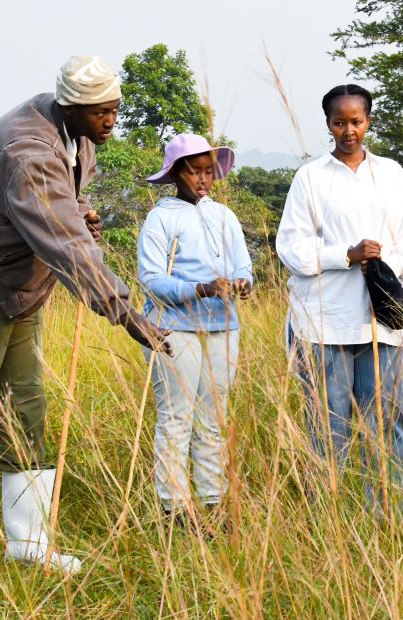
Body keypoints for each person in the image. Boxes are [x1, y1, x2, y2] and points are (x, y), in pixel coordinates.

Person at [0, 56, 171, 575]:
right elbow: (65, 244)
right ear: (71, 107)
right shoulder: (27, 148)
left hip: (18, 284)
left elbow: (59, 217)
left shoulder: (78, 139)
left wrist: (79, 216)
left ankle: (28, 544)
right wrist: (127, 315)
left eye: (114, 111)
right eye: (102, 113)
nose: (111, 123)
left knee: (23, 409)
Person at [276, 84, 403, 515]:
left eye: (356, 121)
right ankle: (326, 525)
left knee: (386, 425)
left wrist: (382, 261)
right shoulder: (311, 177)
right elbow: (291, 250)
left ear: (369, 121)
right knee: (329, 428)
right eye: (339, 122)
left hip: (385, 324)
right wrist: (346, 254)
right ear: (327, 125)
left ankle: (387, 519)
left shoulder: (392, 174)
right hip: (325, 323)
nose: (349, 131)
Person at [138, 133, 252, 527]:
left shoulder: (224, 216)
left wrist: (241, 283)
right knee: (176, 418)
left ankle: (212, 501)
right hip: (174, 331)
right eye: (195, 172)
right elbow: (151, 279)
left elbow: (243, 266)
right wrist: (200, 289)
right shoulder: (161, 217)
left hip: (223, 328)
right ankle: (173, 508)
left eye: (209, 171)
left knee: (213, 418)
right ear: (174, 174)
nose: (204, 179)